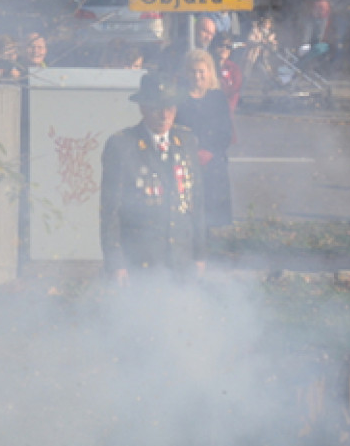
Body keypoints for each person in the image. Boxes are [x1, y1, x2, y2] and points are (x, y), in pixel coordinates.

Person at [99, 72, 205, 284]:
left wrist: (200, 254)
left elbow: (197, 200)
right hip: (141, 257)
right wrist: (116, 263)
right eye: (157, 108)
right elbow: (110, 210)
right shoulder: (123, 145)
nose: (164, 115)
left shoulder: (186, 140)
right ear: (143, 108)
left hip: (181, 254)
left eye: (170, 108)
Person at [176, 49, 233, 228]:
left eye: (201, 71)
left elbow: (225, 131)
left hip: (214, 164)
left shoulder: (217, 98)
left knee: (213, 219)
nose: (197, 76)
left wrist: (210, 152)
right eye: (193, 71)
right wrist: (191, 153)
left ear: (209, 72)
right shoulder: (178, 98)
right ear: (187, 73)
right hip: (185, 164)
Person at [211, 34, 243, 113]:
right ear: (214, 47)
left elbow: (234, 91)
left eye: (228, 47)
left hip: (225, 111)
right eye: (221, 45)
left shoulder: (234, 69)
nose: (224, 49)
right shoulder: (207, 66)